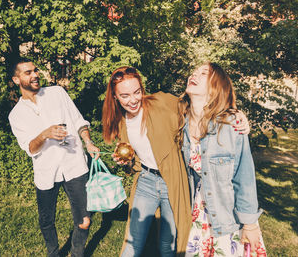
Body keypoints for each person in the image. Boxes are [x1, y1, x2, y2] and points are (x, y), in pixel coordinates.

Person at [101, 66, 249, 257]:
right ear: (115, 97)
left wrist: (234, 114)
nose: (133, 100)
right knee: (133, 242)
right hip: (145, 181)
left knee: (168, 244)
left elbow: (197, 108)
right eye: (125, 95)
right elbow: (134, 162)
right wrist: (126, 162)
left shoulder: (161, 102)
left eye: (137, 92)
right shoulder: (121, 122)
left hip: (172, 181)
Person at [8, 58, 100, 257]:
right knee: (47, 220)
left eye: (35, 71)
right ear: (17, 80)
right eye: (28, 73)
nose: (34, 75)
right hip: (46, 172)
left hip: (74, 164)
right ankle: (53, 253)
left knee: (84, 220)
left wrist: (88, 141)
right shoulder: (16, 115)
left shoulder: (57, 93)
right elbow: (31, 149)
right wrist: (44, 134)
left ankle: (77, 253)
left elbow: (78, 120)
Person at [177, 62, 267, 256]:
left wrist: (249, 223)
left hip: (227, 215)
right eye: (194, 71)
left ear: (215, 87)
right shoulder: (179, 121)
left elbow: (245, 178)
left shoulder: (231, 124)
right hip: (198, 214)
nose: (194, 74)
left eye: (204, 73)